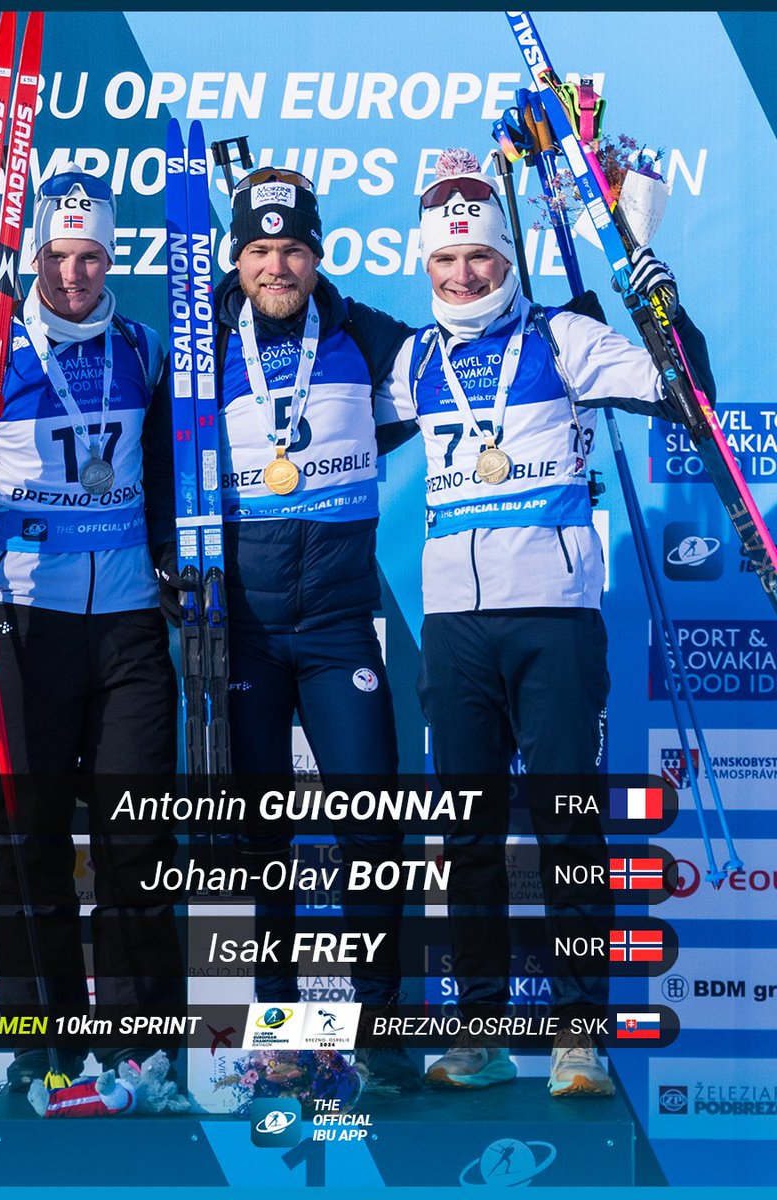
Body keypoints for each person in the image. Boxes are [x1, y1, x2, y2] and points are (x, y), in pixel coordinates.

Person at [382, 149, 714, 1097]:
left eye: (479, 258)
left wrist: (658, 294)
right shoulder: (411, 360)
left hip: (556, 619)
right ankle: (479, 1032)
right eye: (445, 263)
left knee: (569, 828)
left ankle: (578, 1036)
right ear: (425, 265)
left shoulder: (565, 339)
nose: (462, 276)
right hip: (454, 626)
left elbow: (685, 392)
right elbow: (327, 428)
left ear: (506, 258)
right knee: (468, 836)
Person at [0, 166, 183, 1090]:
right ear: (34, 256)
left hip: (131, 630)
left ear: (112, 258)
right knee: (29, 840)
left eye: (91, 256)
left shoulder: (146, 349)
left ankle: (145, 1044)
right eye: (59, 257)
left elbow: (167, 468)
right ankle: (46, 1040)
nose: (75, 275)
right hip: (25, 623)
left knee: (137, 838)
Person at [157, 166, 420, 1090]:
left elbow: (471, 361)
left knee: (372, 832)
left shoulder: (366, 335)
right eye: (261, 250)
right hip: (250, 638)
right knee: (263, 843)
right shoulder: (197, 354)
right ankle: (280, 1034)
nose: (278, 265)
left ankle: (380, 1030)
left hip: (343, 631)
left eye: (294, 249)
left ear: (317, 255)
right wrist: (169, 570)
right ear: (237, 258)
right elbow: (161, 468)